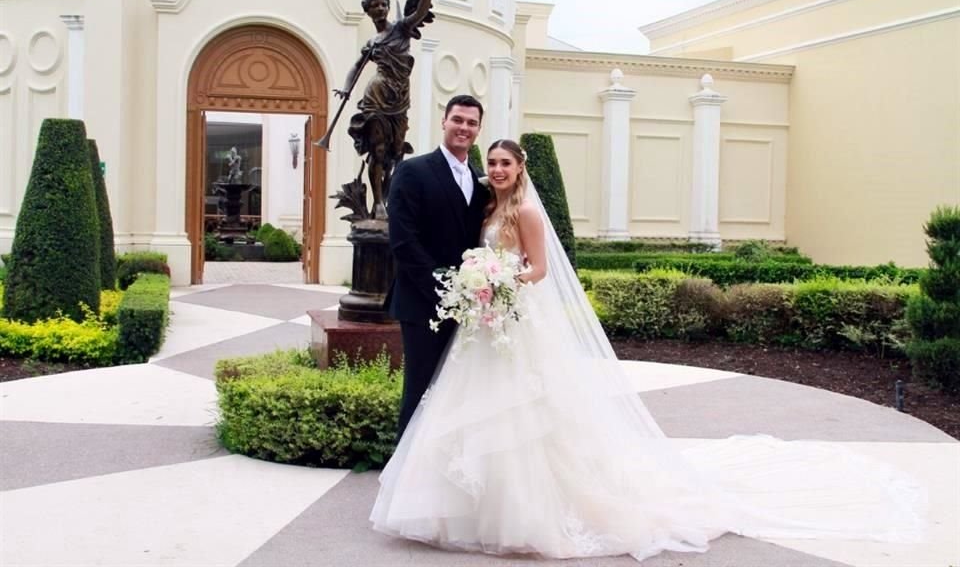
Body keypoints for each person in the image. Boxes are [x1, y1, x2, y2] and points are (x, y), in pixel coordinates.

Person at [371, 139, 926, 561]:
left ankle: (533, 510)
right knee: (473, 407)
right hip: (490, 325)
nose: (495, 170)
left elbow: (538, 270)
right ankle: (467, 504)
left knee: (529, 414)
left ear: (520, 170)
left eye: (505, 164)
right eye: (491, 162)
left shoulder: (529, 213)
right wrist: (481, 280)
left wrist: (500, 282)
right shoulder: (488, 213)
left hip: (514, 316)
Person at [386, 94, 490, 440]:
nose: (464, 128)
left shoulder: (480, 180)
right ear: (444, 121)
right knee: (419, 389)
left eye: (471, 123)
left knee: (456, 393)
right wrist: (444, 290)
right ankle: (401, 478)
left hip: (469, 307)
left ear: (478, 129)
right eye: (458, 120)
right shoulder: (412, 170)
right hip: (422, 302)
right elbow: (403, 241)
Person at [338, 0, 438, 221]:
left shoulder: (402, 28)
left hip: (400, 98)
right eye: (375, 6)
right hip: (377, 95)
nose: (380, 8)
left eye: (383, 4)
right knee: (378, 150)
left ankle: (388, 196)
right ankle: (379, 202)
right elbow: (356, 66)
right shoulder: (372, 42)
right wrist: (346, 87)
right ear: (368, 12)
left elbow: (422, 10)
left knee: (395, 152)